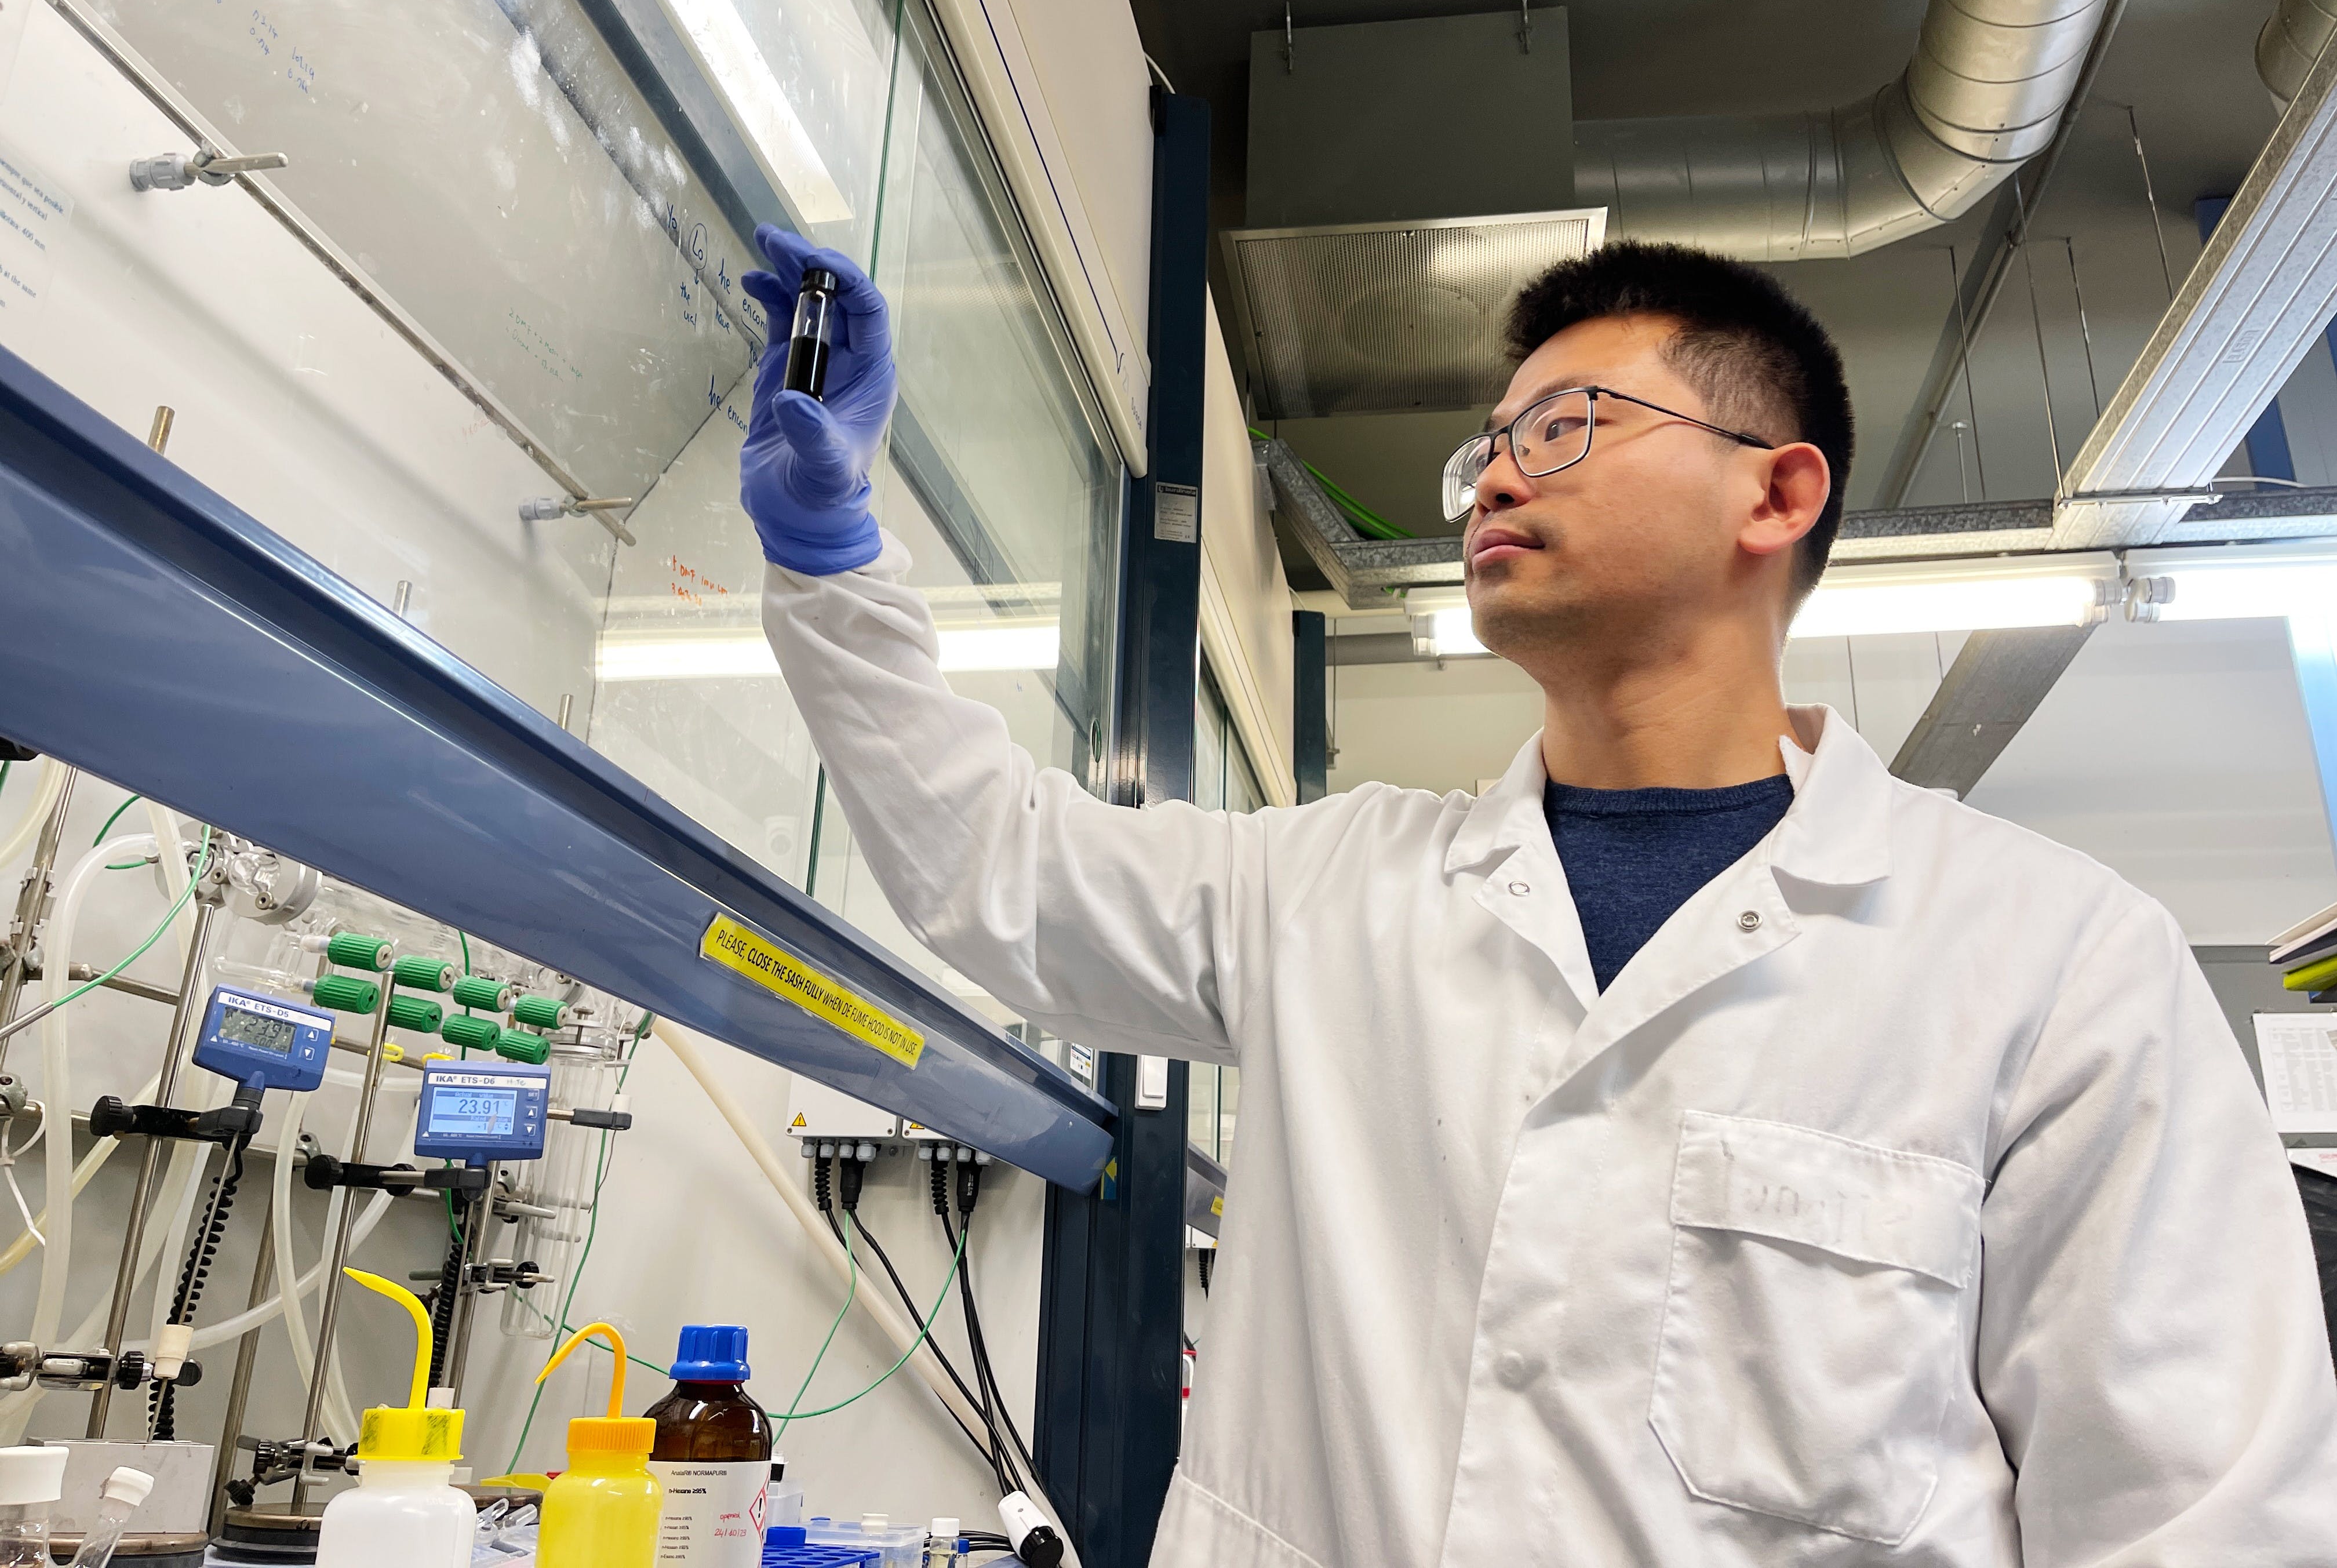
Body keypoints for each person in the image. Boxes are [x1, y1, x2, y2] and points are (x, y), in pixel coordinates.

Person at [739, 227, 2337, 1566]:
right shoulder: (1330, 892)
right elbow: (991, 867)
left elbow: (2200, 1512)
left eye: (1565, 425)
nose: (1495, 473)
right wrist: (832, 559)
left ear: (1775, 496)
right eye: (1489, 444)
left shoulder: (2054, 962)